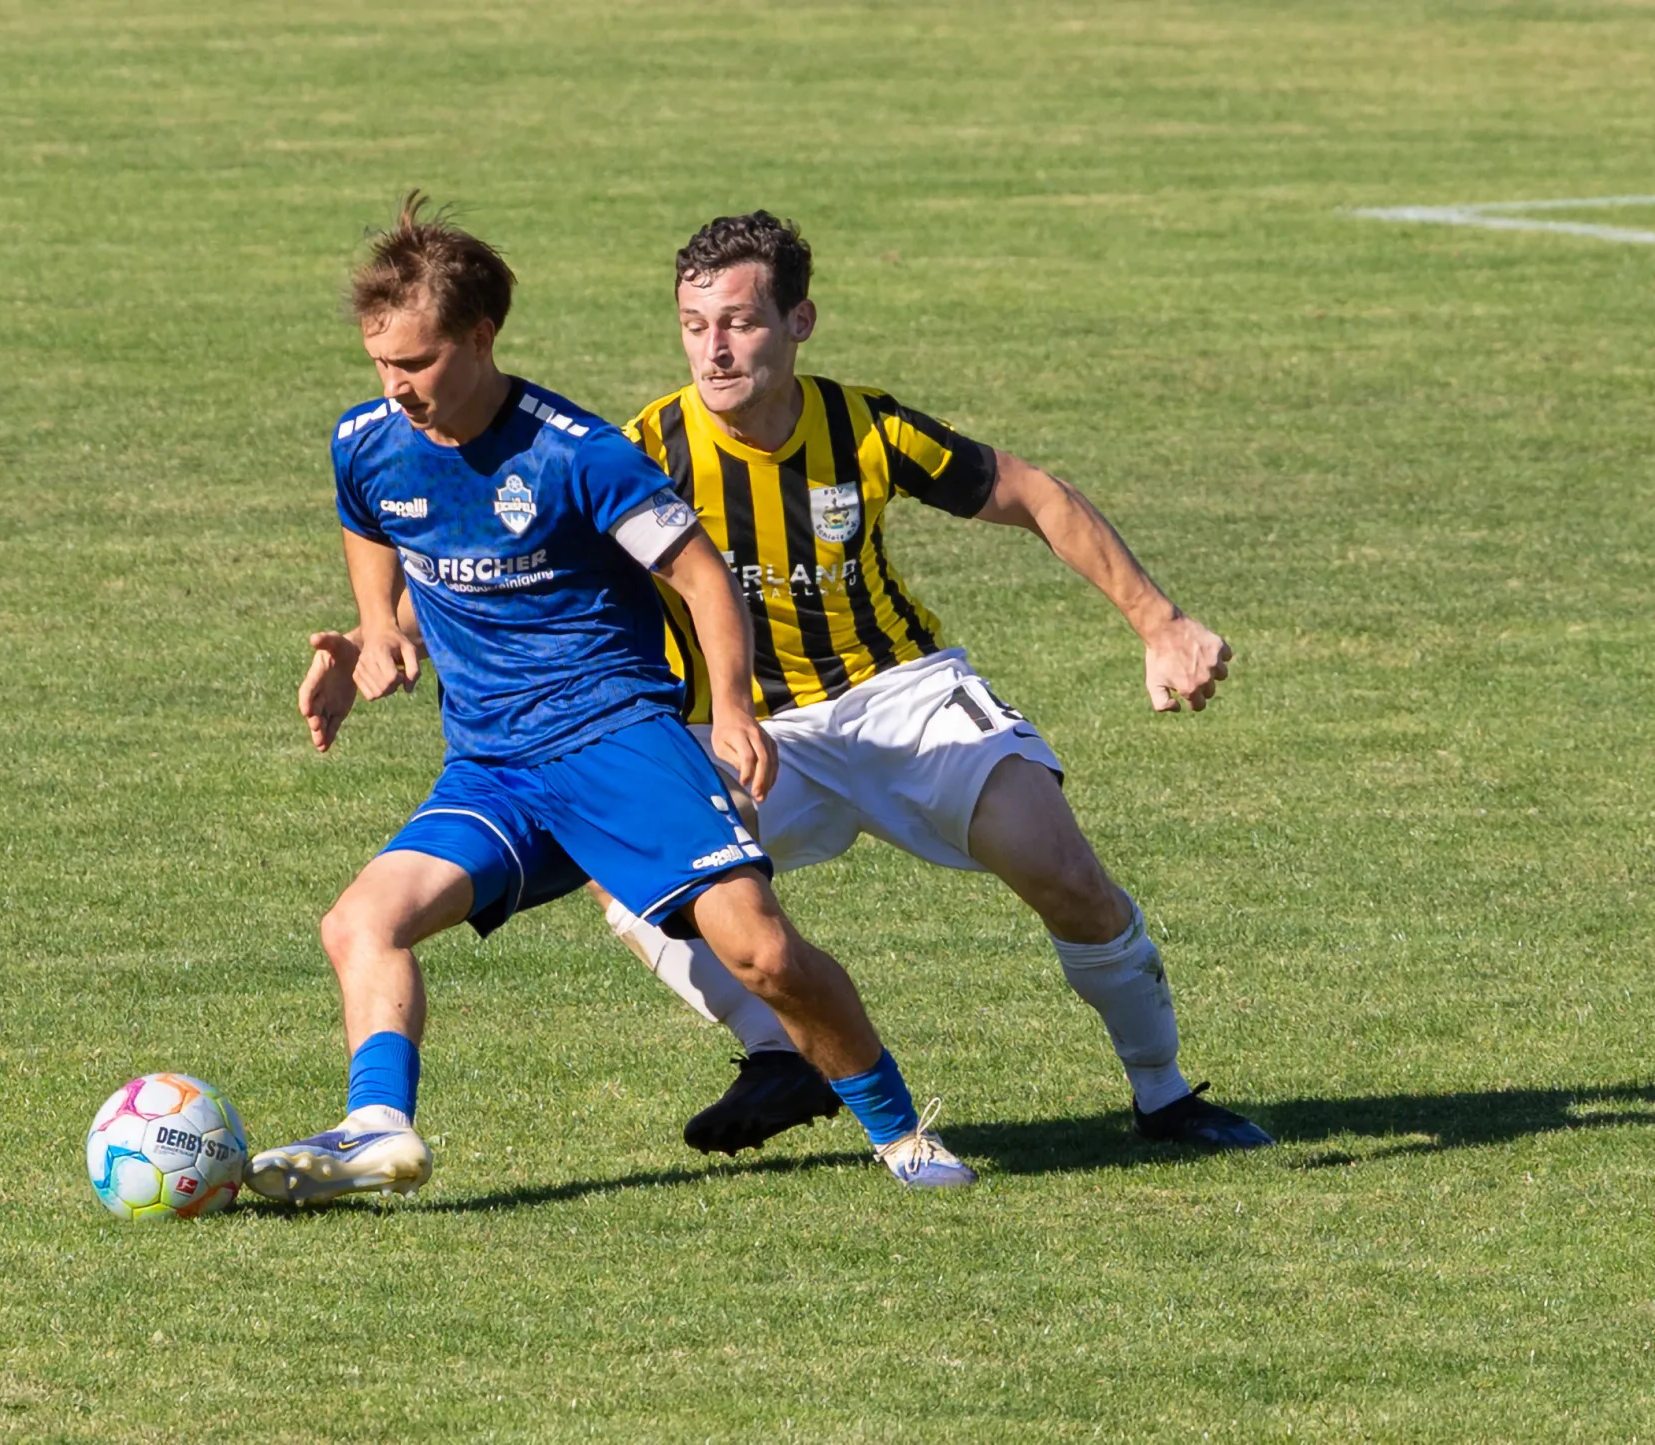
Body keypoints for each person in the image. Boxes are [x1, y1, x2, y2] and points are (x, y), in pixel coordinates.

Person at [303, 210, 1272, 1161]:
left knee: (1060, 869)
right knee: (629, 892)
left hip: (897, 696)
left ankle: (1162, 1091)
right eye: (693, 326)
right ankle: (783, 1052)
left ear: (796, 323)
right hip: (750, 729)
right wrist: (373, 630)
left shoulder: (866, 429)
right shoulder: (647, 444)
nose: (712, 351)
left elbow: (1034, 495)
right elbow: (504, 565)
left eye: (738, 323)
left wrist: (1159, 622)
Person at [245, 195, 977, 1206]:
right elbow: (366, 514)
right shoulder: (367, 438)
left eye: (415, 362)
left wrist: (728, 709)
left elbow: (702, 575)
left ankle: (898, 1131)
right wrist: (375, 630)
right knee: (359, 923)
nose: (397, 386)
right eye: (381, 363)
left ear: (479, 336)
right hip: (495, 766)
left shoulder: (573, 454)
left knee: (760, 949)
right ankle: (377, 1124)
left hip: (618, 743)